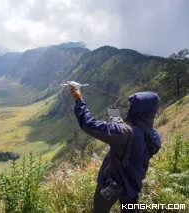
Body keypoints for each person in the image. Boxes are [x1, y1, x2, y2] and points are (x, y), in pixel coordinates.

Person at [69, 85, 161, 213]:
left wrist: (79, 100)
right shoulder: (155, 137)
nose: (130, 107)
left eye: (133, 105)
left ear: (139, 110)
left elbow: (88, 124)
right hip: (132, 186)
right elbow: (135, 144)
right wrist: (119, 123)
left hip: (109, 184)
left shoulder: (123, 133)